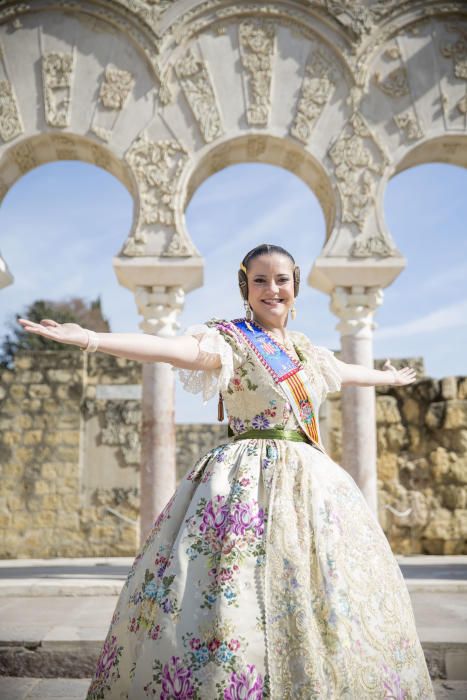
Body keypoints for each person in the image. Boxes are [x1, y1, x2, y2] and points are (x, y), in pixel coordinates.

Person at [18, 243, 435, 699]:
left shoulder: (305, 351)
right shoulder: (229, 341)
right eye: (260, 280)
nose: (271, 289)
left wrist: (389, 378)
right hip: (242, 485)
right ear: (245, 287)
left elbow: (348, 371)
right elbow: (169, 349)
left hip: (313, 486)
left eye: (281, 280)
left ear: (295, 285)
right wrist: (92, 339)